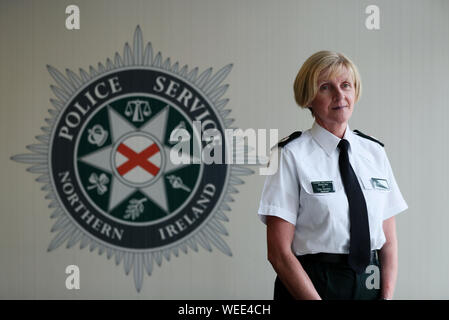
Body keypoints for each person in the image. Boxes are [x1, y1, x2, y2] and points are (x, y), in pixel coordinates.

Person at [257, 51, 408, 300]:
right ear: (308, 98)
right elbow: (278, 253)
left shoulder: (375, 152)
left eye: (346, 85)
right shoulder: (287, 155)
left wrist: (387, 296)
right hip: (313, 285)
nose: (340, 95)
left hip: (369, 283)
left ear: (355, 92)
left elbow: (388, 242)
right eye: (326, 87)